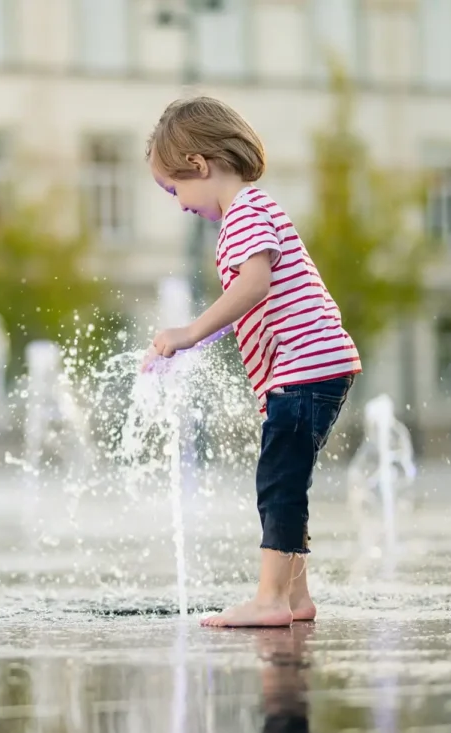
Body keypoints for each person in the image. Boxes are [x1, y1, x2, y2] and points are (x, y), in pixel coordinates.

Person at [142, 97, 361, 628]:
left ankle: (269, 600)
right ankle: (294, 596)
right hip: (314, 367)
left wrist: (190, 333)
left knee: (278, 481)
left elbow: (255, 284)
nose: (179, 203)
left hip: (306, 368)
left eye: (175, 189)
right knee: (289, 479)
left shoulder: (244, 213)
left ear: (198, 164)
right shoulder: (257, 210)